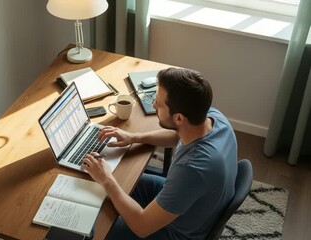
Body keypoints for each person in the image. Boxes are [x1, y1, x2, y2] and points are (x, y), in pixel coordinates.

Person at [81, 67, 238, 240]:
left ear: (179, 118)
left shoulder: (192, 168)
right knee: (121, 179)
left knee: (95, 228)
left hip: (175, 233)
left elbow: (141, 226)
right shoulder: (213, 118)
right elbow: (176, 135)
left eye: (158, 103)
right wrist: (133, 137)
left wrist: (107, 180)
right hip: (192, 203)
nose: (153, 105)